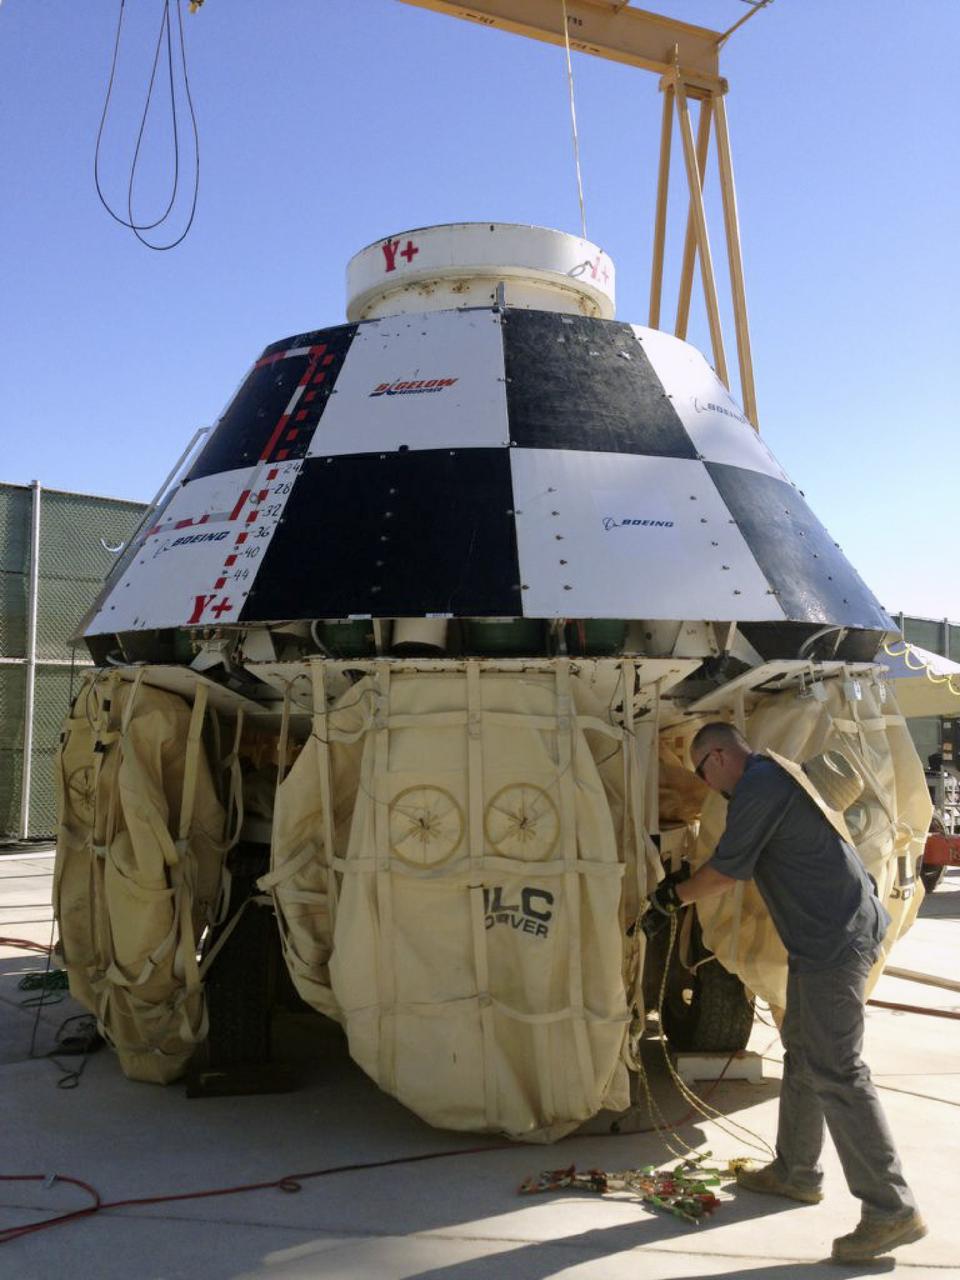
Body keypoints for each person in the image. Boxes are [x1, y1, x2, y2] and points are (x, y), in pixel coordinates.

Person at [646, 721, 926, 1265]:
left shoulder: (759, 786)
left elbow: (727, 870)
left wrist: (670, 898)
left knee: (838, 1070)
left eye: (704, 772)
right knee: (802, 1049)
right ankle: (797, 1171)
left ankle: (891, 1209)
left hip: (832, 941)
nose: (709, 784)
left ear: (720, 755)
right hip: (828, 935)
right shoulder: (773, 774)